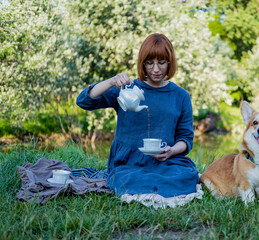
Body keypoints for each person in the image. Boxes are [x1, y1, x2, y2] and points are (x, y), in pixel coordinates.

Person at [76, 33, 200, 199]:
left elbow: (185, 140)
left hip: (165, 162)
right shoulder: (128, 89)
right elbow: (84, 101)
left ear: (170, 63)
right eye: (149, 63)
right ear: (142, 64)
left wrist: (171, 151)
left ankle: (152, 184)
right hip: (129, 163)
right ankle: (149, 185)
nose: (155, 69)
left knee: (187, 177)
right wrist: (112, 82)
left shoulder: (181, 96)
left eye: (161, 63)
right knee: (129, 180)